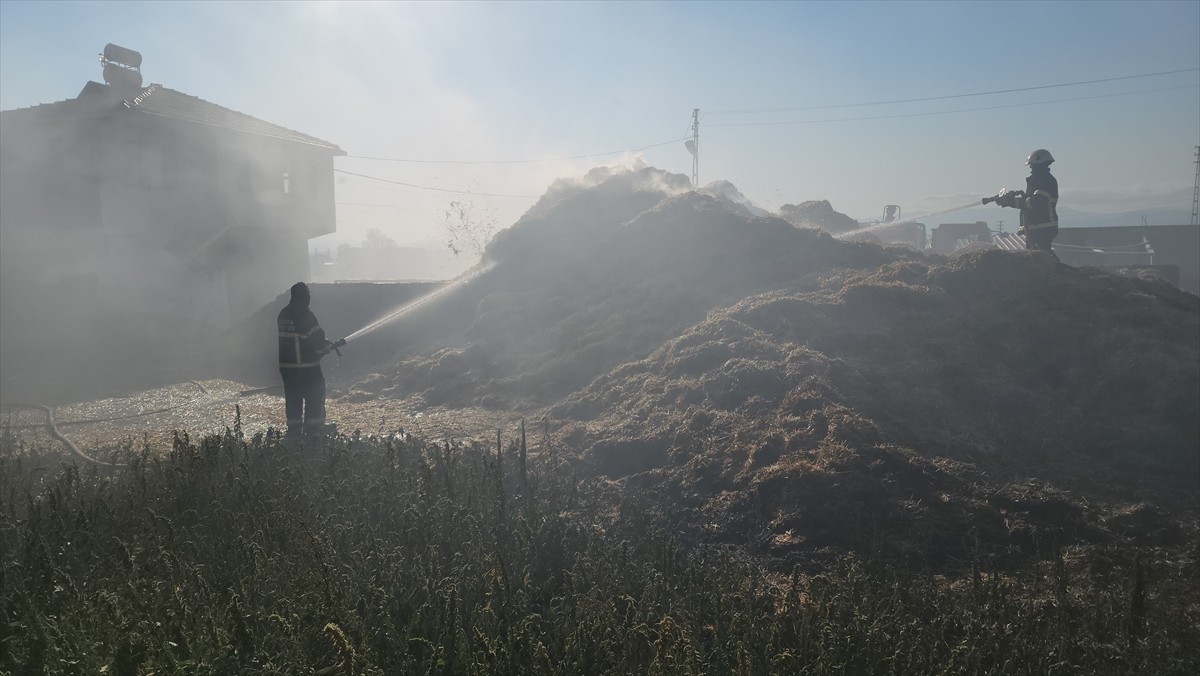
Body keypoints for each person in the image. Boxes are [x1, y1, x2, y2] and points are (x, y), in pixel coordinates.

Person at [277, 282, 335, 437]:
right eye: (307, 295)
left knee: (293, 399)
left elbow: (301, 338)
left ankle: (294, 432)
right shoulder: (306, 315)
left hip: (287, 369)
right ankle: (314, 431)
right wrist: (326, 348)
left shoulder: (283, 314)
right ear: (304, 297)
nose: (309, 298)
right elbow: (317, 344)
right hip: (307, 369)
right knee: (314, 397)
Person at [993, 149, 1060, 259]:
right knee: (1039, 258)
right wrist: (1012, 198)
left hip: (1042, 228)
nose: (1030, 168)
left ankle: (1058, 274)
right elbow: (1029, 200)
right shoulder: (1037, 180)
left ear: (1039, 163)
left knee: (1042, 258)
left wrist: (1009, 202)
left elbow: (1034, 203)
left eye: (1032, 165)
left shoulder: (1046, 181)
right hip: (1035, 227)